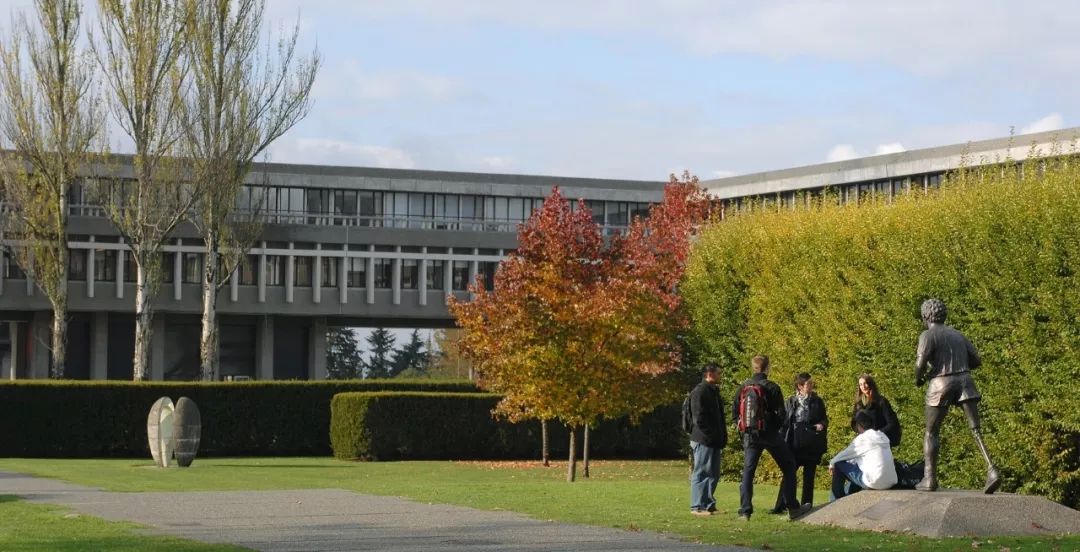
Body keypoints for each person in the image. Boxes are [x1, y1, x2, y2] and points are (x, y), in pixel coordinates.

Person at [914, 298, 1000, 493]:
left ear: (925, 316)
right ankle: (992, 469)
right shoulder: (958, 335)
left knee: (931, 431)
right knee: (976, 429)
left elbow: (919, 364)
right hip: (965, 381)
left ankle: (930, 479)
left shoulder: (927, 335)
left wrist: (918, 379)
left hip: (940, 383)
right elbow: (976, 360)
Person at [732, 355, 811, 521]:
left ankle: (745, 511)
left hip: (750, 435)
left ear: (753, 368)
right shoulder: (772, 387)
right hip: (770, 434)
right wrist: (774, 428)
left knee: (748, 471)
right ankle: (792, 507)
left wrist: (745, 428)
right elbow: (782, 414)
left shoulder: (743, 387)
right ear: (767, 368)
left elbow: (735, 413)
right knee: (789, 466)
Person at [769, 372, 828, 513]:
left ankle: (807, 505)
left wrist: (821, 425)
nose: (811, 386)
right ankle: (780, 505)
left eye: (811, 383)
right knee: (789, 474)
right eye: (808, 383)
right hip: (794, 443)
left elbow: (824, 419)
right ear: (800, 386)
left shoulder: (817, 401)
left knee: (809, 476)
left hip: (811, 442)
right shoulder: (791, 401)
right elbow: (784, 422)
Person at [829, 410, 898, 500]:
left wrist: (832, 463)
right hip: (891, 481)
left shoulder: (862, 439)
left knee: (838, 465)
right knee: (856, 466)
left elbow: (842, 456)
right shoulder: (883, 436)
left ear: (859, 426)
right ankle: (850, 497)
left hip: (875, 482)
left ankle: (835, 502)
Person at [688, 363, 727, 516]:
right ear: (710, 374)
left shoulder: (713, 391)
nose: (720, 375)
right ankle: (697, 507)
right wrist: (710, 436)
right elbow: (699, 419)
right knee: (702, 472)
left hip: (713, 440)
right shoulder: (700, 391)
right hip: (703, 439)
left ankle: (708, 505)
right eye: (718, 373)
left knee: (713, 473)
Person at [851, 374, 901, 448]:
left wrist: (876, 434)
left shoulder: (881, 401)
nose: (863, 386)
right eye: (861, 384)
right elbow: (854, 422)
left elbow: (892, 422)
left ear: (870, 384)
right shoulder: (858, 404)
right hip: (865, 441)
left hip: (880, 441)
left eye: (865, 383)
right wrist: (861, 433)